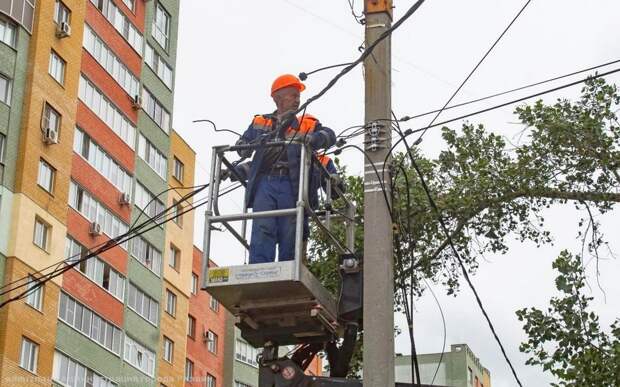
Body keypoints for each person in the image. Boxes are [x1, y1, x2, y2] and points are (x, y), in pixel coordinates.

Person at [235, 74, 336, 264]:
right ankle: (259, 269)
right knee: (263, 226)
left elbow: (330, 135)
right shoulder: (260, 122)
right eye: (293, 95)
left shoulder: (308, 123)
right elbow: (244, 146)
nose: (298, 100)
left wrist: (315, 139)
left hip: (292, 183)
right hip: (265, 182)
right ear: (278, 98)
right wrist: (242, 147)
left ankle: (289, 269)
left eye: (298, 96)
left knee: (291, 228)